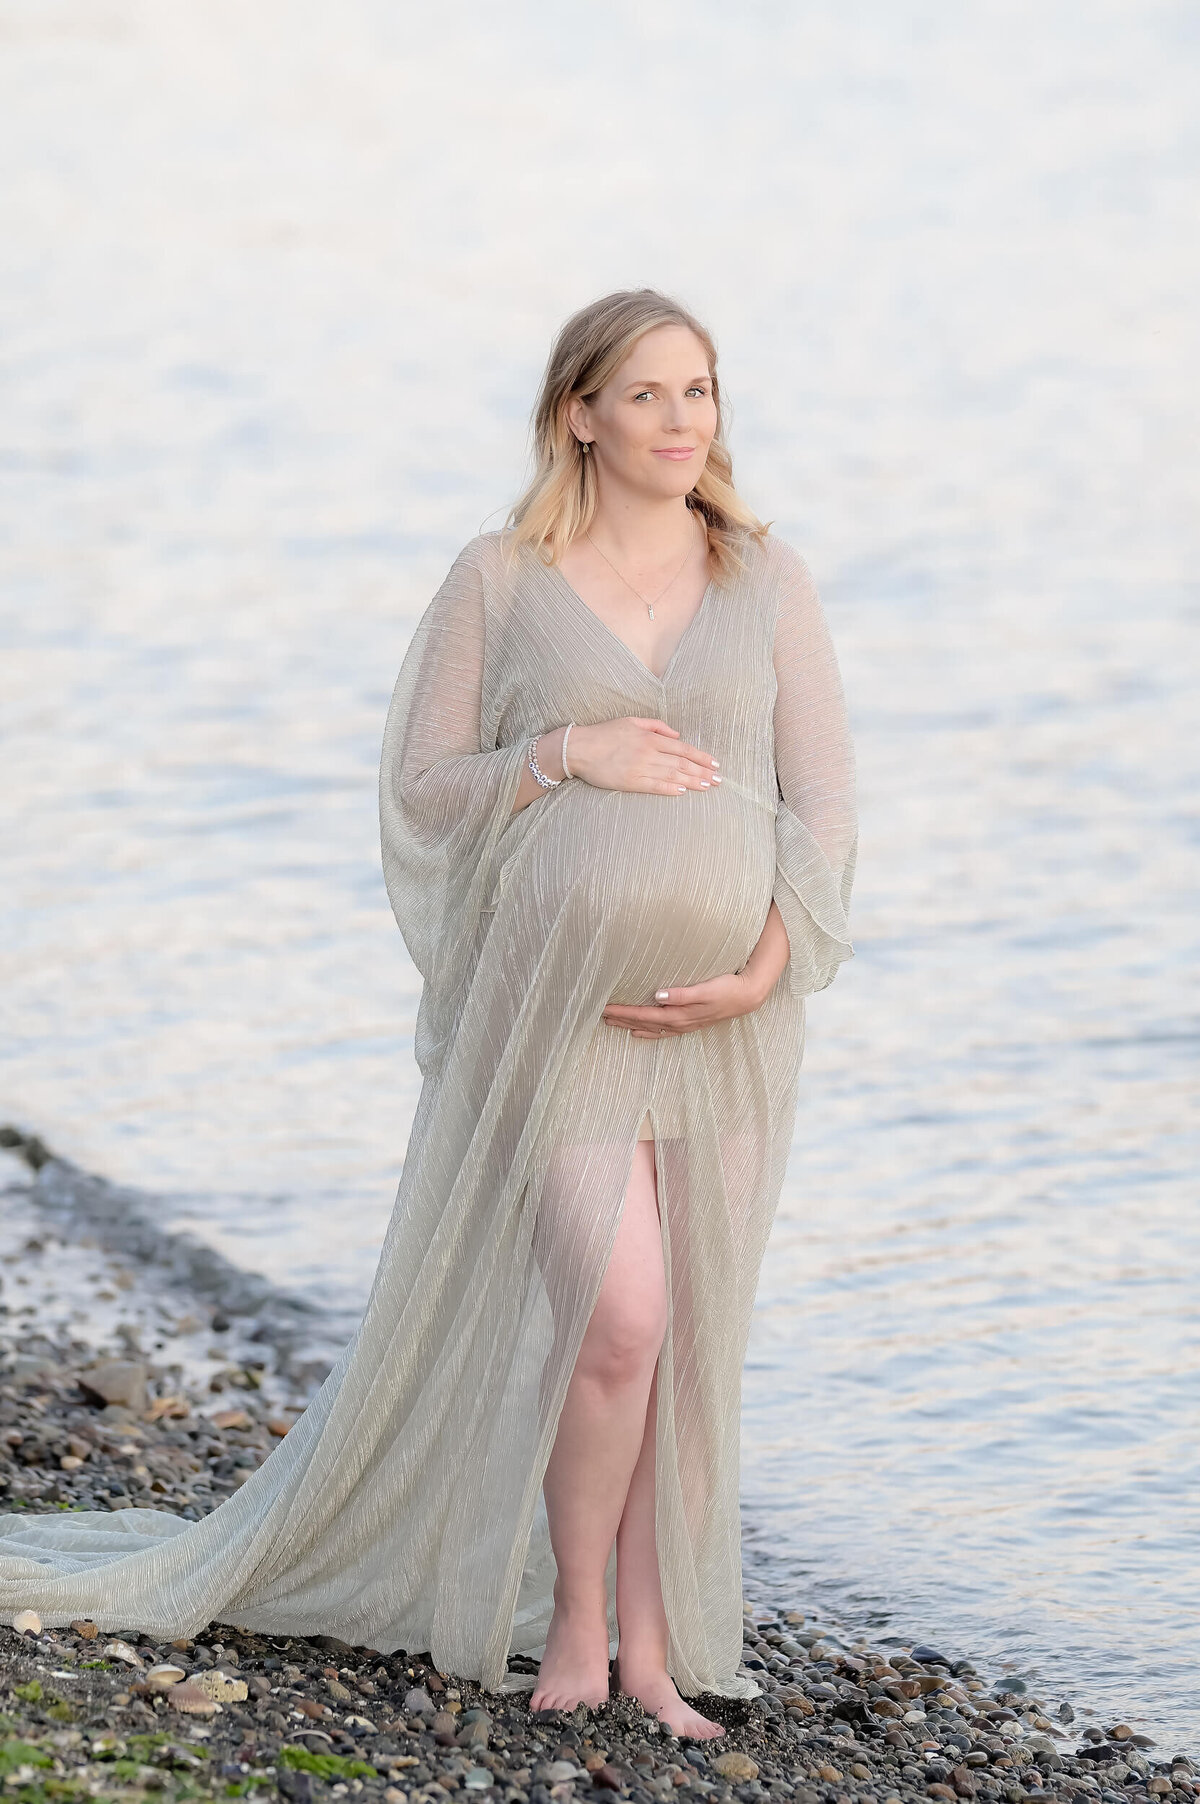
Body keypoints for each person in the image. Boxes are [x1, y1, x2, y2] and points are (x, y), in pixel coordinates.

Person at [0, 287, 856, 1743]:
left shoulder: (764, 576)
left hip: (725, 1021)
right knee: (619, 1321)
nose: (678, 422)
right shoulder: (501, 578)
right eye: (645, 394)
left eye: (699, 392)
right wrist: (565, 751)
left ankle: (654, 1651)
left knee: (685, 1338)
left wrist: (771, 966)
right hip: (552, 1019)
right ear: (578, 409)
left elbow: (823, 802)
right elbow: (425, 787)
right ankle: (576, 1622)